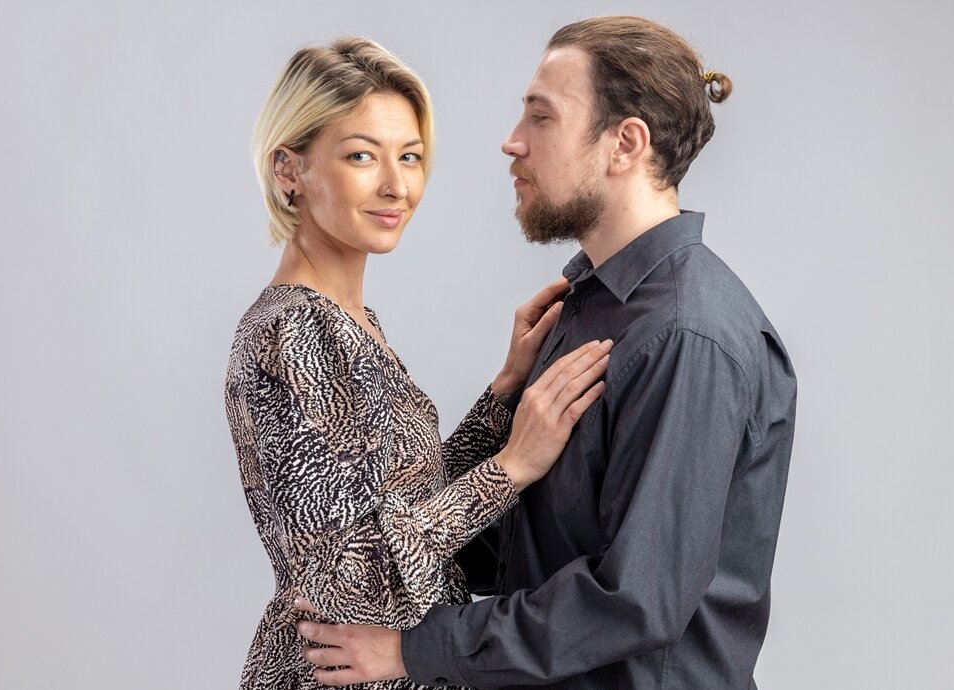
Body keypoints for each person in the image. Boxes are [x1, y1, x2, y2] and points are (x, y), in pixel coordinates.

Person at [295, 16, 798, 689]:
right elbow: (525, 546)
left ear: (625, 143)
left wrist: (416, 649)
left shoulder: (687, 336)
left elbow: (635, 600)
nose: (513, 142)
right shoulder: (584, 304)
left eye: (541, 117)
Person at [224, 37, 611, 689]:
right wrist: (514, 466)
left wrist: (504, 392)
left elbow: (406, 505)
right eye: (361, 155)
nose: (396, 185)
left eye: (410, 156)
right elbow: (354, 571)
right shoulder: (296, 329)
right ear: (288, 169)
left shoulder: (350, 321)